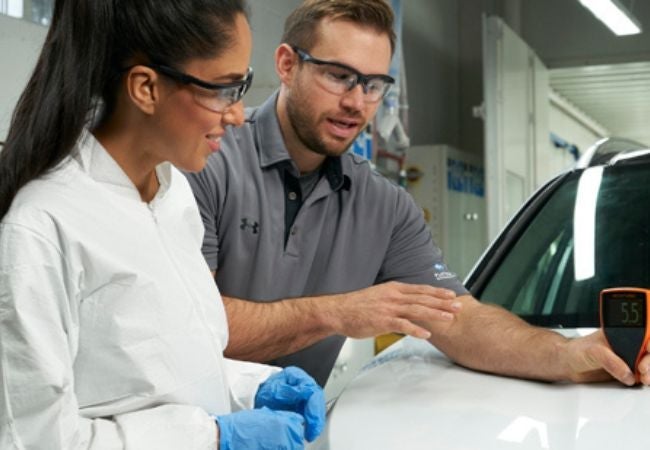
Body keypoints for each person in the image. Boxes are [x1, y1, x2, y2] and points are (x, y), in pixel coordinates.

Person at [185, 0, 648, 389]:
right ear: (287, 64)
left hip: (292, 430)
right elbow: (191, 327)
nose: (356, 102)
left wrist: (568, 354)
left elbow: (460, 320)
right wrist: (335, 313)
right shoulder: (206, 160)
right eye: (338, 76)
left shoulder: (383, 207)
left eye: (373, 85)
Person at [0, 1, 325, 449]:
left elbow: (168, 372)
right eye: (223, 90)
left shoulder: (173, 195)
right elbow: (34, 438)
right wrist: (211, 437)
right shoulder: (43, 227)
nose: (237, 114)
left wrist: (253, 386)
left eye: (242, 85)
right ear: (146, 89)